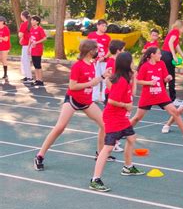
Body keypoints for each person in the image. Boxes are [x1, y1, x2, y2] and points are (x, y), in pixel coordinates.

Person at [34, 40, 112, 171]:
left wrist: (103, 76)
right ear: (90, 51)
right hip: (73, 100)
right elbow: (72, 86)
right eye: (96, 49)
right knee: (60, 127)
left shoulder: (92, 64)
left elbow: (92, 81)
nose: (98, 51)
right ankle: (40, 156)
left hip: (86, 101)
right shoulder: (78, 66)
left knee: (105, 124)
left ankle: (100, 153)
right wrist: (90, 84)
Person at [90, 52, 144, 192]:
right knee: (108, 148)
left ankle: (127, 167)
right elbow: (112, 100)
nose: (134, 64)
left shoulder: (126, 79)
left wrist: (135, 78)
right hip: (113, 117)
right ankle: (95, 179)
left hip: (122, 117)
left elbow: (133, 94)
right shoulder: (120, 81)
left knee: (132, 138)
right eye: (132, 61)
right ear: (127, 64)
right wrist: (125, 106)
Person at [130, 47, 183, 143]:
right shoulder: (145, 66)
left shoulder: (161, 64)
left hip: (161, 95)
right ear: (152, 55)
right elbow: (138, 80)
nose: (161, 55)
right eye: (159, 53)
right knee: (137, 118)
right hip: (148, 96)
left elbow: (165, 78)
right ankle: (123, 131)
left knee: (175, 112)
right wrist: (149, 83)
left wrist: (168, 78)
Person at [105, 40, 126, 153]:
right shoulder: (111, 62)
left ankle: (114, 141)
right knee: (113, 120)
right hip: (112, 94)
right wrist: (113, 92)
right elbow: (108, 79)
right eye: (123, 49)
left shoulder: (117, 62)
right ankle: (112, 143)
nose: (124, 51)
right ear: (118, 51)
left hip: (117, 94)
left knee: (118, 118)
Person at [162, 20, 183, 101]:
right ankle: (172, 99)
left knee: (166, 76)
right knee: (171, 77)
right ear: (181, 27)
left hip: (164, 54)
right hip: (167, 55)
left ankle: (161, 97)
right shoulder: (175, 32)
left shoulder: (174, 33)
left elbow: (177, 47)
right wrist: (173, 55)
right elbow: (170, 43)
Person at [88, 19, 111, 102]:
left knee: (105, 79)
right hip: (94, 61)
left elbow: (110, 50)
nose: (104, 27)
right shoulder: (91, 35)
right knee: (96, 78)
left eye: (105, 26)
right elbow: (88, 47)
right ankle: (94, 97)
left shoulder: (107, 37)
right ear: (98, 26)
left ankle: (105, 97)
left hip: (104, 61)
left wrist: (104, 57)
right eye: (102, 25)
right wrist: (92, 58)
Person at [28, 15, 47, 86]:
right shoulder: (32, 29)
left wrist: (36, 42)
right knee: (35, 65)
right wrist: (28, 48)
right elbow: (30, 39)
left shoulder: (40, 29)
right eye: (31, 20)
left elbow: (44, 38)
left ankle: (41, 80)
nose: (31, 21)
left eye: (33, 20)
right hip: (33, 50)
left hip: (38, 49)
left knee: (38, 65)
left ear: (37, 22)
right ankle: (37, 79)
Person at [18, 10, 33, 83]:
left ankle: (29, 77)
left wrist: (21, 37)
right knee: (26, 61)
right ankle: (27, 76)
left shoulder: (24, 24)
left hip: (26, 45)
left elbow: (20, 34)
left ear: (23, 16)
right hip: (31, 44)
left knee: (25, 61)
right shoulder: (30, 23)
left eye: (21, 15)